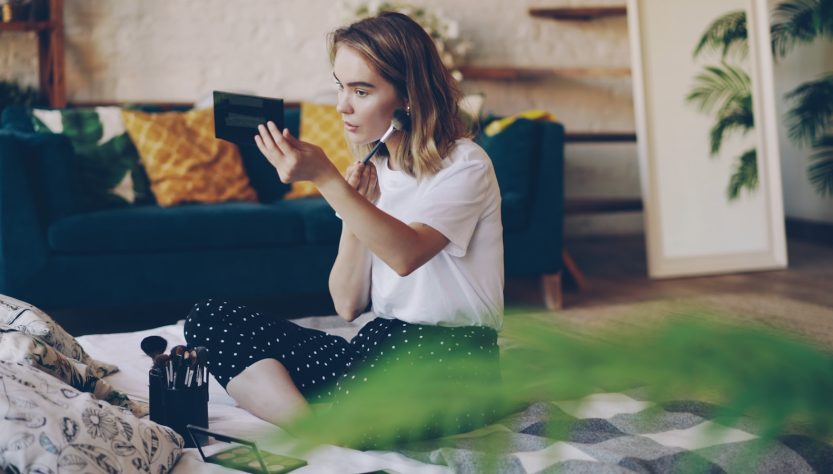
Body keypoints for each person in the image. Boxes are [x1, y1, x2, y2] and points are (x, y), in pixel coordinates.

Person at [184, 11, 503, 442]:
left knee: (368, 399)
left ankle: (325, 418)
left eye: (361, 90)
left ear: (407, 96)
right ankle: (316, 430)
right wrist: (356, 206)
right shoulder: (375, 171)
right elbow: (347, 305)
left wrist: (328, 180)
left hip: (453, 354)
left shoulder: (465, 164)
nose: (342, 105)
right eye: (340, 86)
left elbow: (407, 254)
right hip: (378, 344)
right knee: (209, 318)